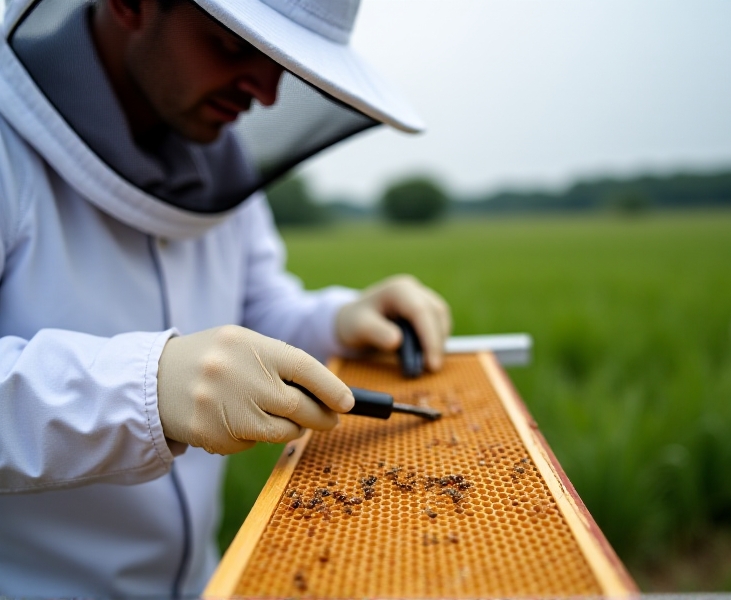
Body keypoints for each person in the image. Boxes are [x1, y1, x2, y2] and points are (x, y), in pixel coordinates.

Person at [0, 0, 450, 596]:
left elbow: (257, 315)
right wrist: (146, 389)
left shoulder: (216, 157)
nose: (266, 93)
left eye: (282, 64)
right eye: (235, 47)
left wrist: (336, 319)